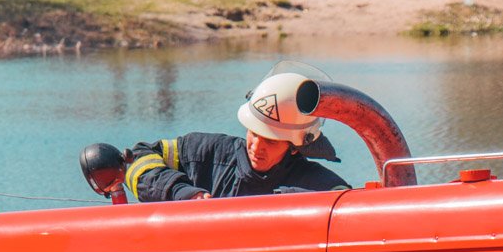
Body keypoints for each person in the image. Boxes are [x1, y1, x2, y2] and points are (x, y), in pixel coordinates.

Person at [123, 69, 350, 202]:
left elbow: (351, 213)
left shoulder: (318, 186)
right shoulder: (206, 154)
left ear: (294, 147)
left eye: (270, 140)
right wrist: (179, 191)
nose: (256, 146)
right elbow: (136, 159)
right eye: (253, 132)